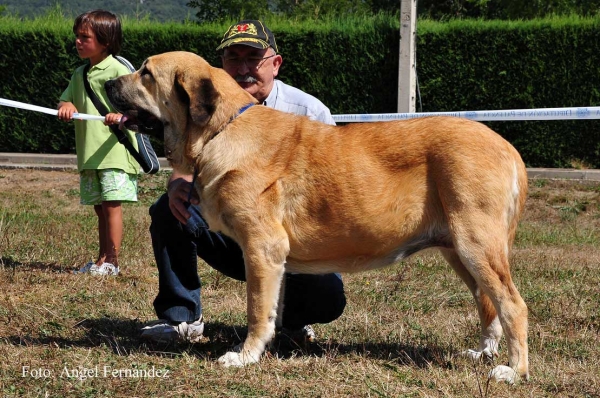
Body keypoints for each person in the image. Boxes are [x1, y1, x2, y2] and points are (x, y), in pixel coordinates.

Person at [141, 20, 346, 343]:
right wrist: (177, 184)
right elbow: (184, 164)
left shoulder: (309, 111)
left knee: (329, 297)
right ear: (220, 65)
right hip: (229, 230)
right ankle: (182, 319)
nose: (243, 68)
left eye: (253, 58)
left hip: (292, 242)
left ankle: (290, 322)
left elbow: (337, 188)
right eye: (233, 58)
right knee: (169, 209)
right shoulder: (201, 103)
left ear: (275, 64)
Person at [57, 10, 140, 276]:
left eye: (85, 37)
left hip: (115, 152)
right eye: (77, 36)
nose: (78, 41)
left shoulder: (119, 69)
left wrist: (122, 116)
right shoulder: (79, 73)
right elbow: (64, 100)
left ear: (105, 40)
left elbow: (140, 107)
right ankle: (102, 259)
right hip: (91, 154)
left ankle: (112, 262)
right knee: (99, 207)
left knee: (111, 205)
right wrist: (66, 105)